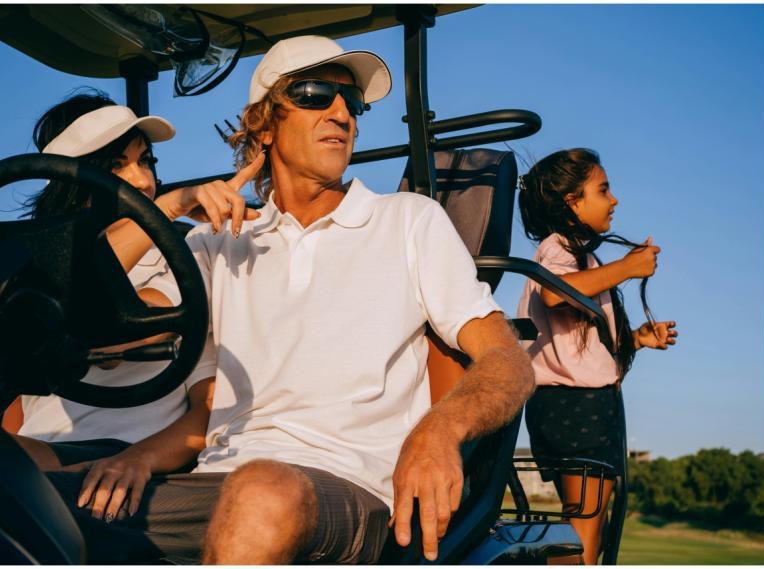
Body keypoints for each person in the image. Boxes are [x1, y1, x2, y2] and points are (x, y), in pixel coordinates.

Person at [46, 36, 535, 565]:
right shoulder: (213, 244)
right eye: (315, 94)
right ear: (263, 124)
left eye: (353, 102)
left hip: (350, 490)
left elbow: (508, 362)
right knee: (12, 496)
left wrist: (440, 428)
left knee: (262, 491)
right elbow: (86, 318)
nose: (341, 113)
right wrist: (164, 209)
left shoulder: (408, 220)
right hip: (214, 484)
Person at [0, 89, 265, 520]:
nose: (142, 181)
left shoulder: (182, 258)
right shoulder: (33, 270)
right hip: (39, 446)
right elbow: (13, 393)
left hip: (122, 451)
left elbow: (103, 324)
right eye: (116, 166)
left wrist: (165, 211)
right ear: (70, 181)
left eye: (145, 161)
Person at [516, 148, 678, 564]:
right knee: (584, 533)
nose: (614, 199)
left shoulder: (582, 259)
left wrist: (636, 339)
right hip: (577, 407)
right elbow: (554, 294)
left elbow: (580, 346)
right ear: (572, 202)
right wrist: (627, 268)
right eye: (603, 190)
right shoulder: (558, 248)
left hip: (573, 406)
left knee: (590, 529)